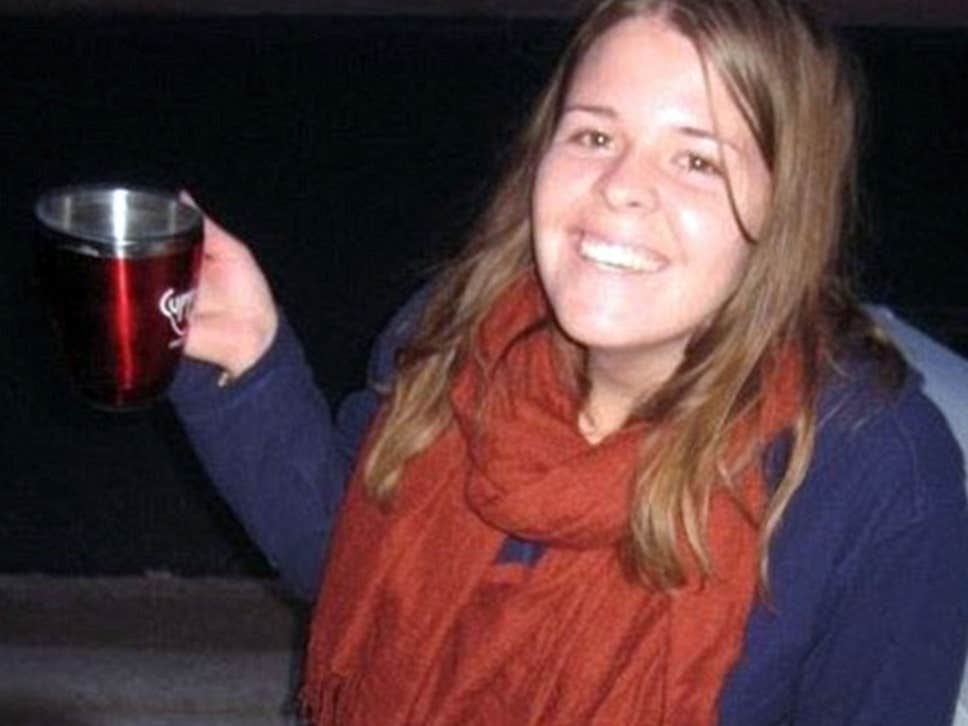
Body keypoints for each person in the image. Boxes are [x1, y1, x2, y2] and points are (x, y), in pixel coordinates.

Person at [169, 0, 968, 723]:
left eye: (697, 160)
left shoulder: (876, 478)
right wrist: (247, 359)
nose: (621, 187)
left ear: (786, 208)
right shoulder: (458, 333)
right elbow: (353, 566)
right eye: (594, 136)